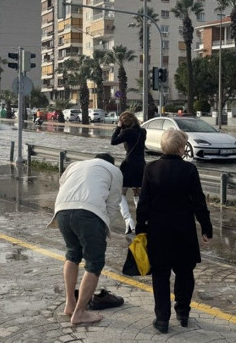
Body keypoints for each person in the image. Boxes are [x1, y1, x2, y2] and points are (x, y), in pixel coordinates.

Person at [136, 129, 212, 334]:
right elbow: (198, 202)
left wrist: (140, 228)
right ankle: (183, 312)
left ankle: (162, 319)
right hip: (183, 231)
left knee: (160, 275)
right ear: (181, 147)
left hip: (158, 231)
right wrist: (206, 227)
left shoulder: (150, 168)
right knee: (185, 272)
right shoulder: (189, 170)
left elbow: (143, 203)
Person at [48, 153, 123, 325]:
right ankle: (80, 312)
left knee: (72, 254)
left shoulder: (76, 164)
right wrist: (103, 228)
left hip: (62, 210)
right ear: (111, 163)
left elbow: (62, 184)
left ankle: (70, 304)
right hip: (89, 213)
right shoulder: (114, 171)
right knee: (94, 263)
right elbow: (112, 204)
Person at [110, 111, 146, 234]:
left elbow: (113, 141)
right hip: (141, 165)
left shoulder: (126, 132)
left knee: (122, 193)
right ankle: (141, 222)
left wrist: (118, 127)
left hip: (129, 165)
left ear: (124, 122)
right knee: (137, 193)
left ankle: (128, 220)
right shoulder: (143, 132)